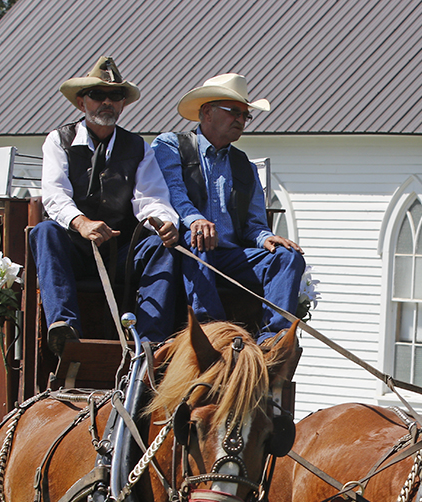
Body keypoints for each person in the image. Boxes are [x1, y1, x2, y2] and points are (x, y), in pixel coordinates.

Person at [30, 56, 180, 352]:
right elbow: (55, 195)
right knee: (45, 231)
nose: (107, 102)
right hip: (73, 247)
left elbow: (150, 198)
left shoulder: (138, 147)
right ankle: (64, 326)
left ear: (123, 104)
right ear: (81, 103)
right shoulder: (59, 141)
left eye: (115, 96)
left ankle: (151, 342)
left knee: (163, 248)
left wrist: (164, 222)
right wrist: (82, 224)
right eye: (98, 95)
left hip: (119, 251)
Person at [152, 74, 306, 343]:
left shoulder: (243, 165)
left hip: (231, 256)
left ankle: (273, 336)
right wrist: (195, 220)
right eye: (234, 112)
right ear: (207, 112)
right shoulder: (171, 145)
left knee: (289, 256)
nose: (240, 120)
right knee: (198, 237)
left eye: (245, 116)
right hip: (185, 251)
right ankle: (211, 327)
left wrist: (266, 238)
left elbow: (254, 224)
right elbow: (172, 191)